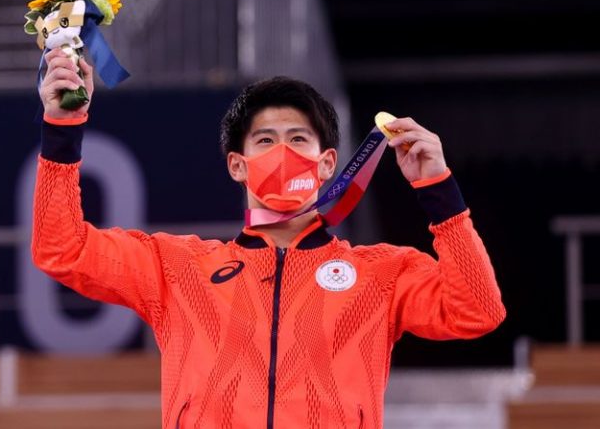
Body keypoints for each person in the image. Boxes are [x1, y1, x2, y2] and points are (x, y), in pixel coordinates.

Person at [31, 49, 506, 429]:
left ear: (327, 163)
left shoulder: (381, 274)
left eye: (298, 139)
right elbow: (62, 248)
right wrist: (62, 129)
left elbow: (477, 310)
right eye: (265, 140)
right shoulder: (177, 268)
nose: (282, 152)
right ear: (237, 166)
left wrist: (438, 189)